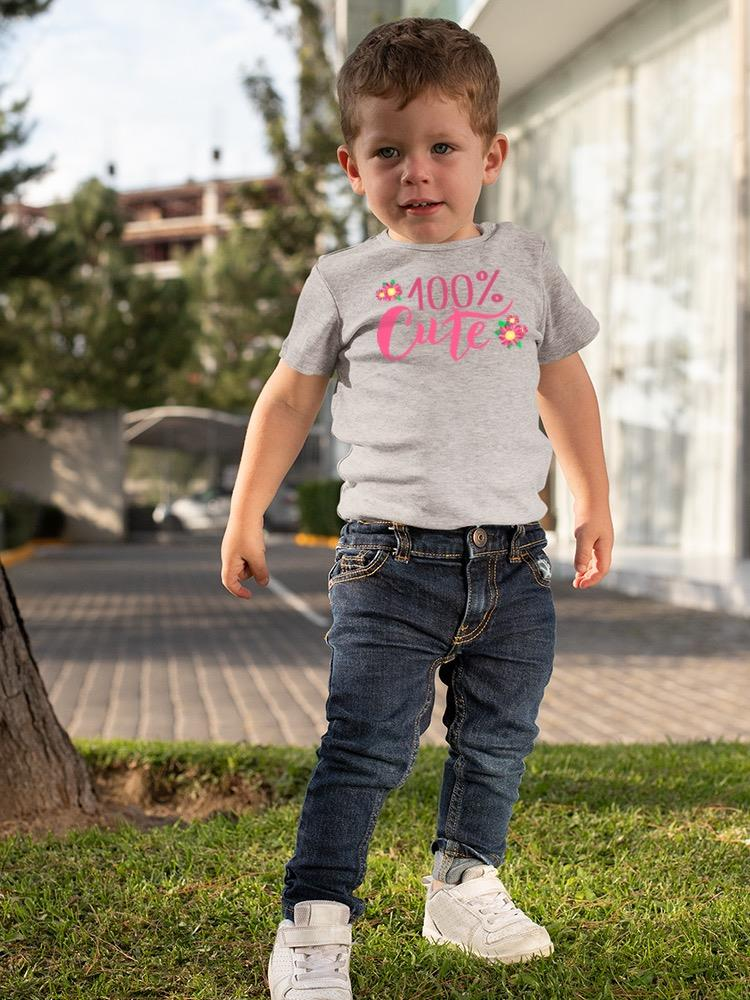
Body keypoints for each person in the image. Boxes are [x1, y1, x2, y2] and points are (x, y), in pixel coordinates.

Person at [220, 16, 614, 1000]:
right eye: (389, 152)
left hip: (515, 563)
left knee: (499, 738)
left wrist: (592, 498)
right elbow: (289, 399)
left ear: (492, 153)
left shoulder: (523, 262)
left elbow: (564, 386)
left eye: (442, 147)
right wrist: (244, 512)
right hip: (387, 563)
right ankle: (313, 927)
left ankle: (463, 881)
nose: (418, 173)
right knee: (364, 745)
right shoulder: (344, 280)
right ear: (352, 165)